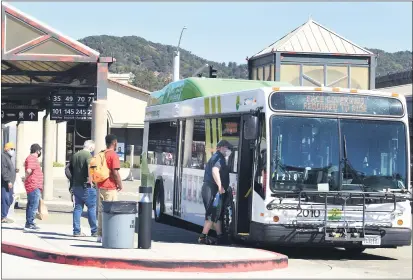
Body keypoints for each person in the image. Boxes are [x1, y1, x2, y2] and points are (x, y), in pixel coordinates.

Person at [198, 140, 232, 245]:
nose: (228, 150)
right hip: (211, 189)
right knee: (212, 213)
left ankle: (220, 236)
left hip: (212, 189)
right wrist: (220, 186)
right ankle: (203, 238)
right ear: (221, 147)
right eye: (227, 147)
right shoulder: (219, 158)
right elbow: (215, 171)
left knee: (217, 213)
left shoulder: (218, 157)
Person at [96, 134, 123, 242]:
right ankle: (109, 235)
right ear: (115, 142)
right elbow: (115, 172)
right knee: (111, 212)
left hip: (101, 186)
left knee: (101, 212)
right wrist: (120, 184)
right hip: (110, 187)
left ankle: (100, 235)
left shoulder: (101, 154)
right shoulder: (113, 155)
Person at [70, 140, 97, 237]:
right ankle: (94, 231)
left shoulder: (75, 155)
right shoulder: (88, 156)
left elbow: (69, 170)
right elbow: (90, 167)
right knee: (92, 208)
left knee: (77, 208)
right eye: (93, 148)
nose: (93, 150)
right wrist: (91, 180)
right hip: (86, 186)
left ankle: (76, 231)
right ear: (90, 147)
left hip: (76, 185)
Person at [24, 144, 43, 231]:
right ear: (37, 151)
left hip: (33, 185)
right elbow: (29, 170)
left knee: (31, 204)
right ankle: (30, 223)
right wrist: (25, 178)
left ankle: (29, 222)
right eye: (40, 151)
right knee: (33, 205)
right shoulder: (32, 158)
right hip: (33, 185)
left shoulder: (31, 158)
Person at [1, 142, 17, 223]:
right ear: (6, 149)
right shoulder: (3, 157)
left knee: (10, 199)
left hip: (10, 183)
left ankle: (4, 215)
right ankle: (3, 216)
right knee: (6, 199)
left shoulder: (8, 157)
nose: (13, 150)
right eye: (11, 149)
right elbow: (4, 170)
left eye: (14, 149)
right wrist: (8, 180)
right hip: (6, 183)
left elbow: (8, 169)